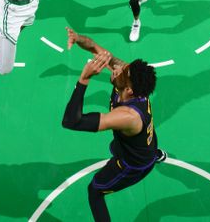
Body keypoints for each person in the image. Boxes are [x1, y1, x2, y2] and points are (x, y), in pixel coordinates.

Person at [62, 27, 166, 222]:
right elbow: (93, 47)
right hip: (144, 143)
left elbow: (71, 121)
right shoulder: (130, 80)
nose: (116, 67)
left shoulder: (127, 116)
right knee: (126, 143)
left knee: (94, 191)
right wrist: (77, 38)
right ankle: (155, 153)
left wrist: (84, 79)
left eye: (121, 71)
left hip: (133, 165)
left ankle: (151, 157)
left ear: (129, 90)